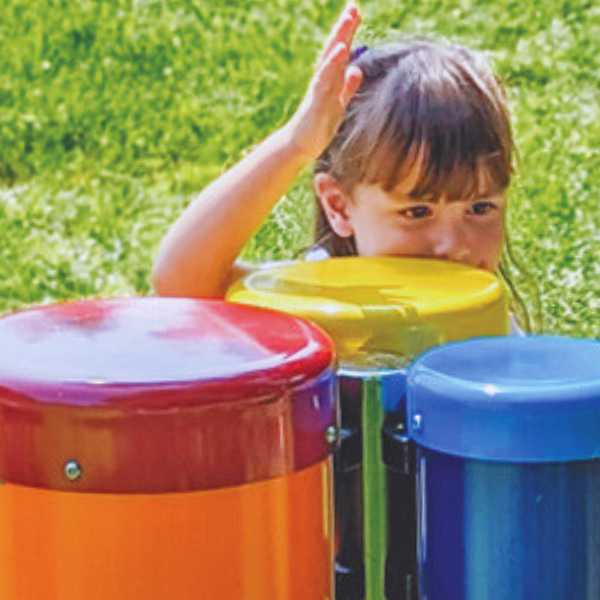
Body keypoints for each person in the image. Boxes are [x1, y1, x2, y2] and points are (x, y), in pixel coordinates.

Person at [152, 3, 530, 329]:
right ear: (339, 205)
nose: (454, 246)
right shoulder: (321, 304)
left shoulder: (491, 323)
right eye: (417, 211)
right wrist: (293, 147)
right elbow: (182, 282)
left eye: (480, 208)